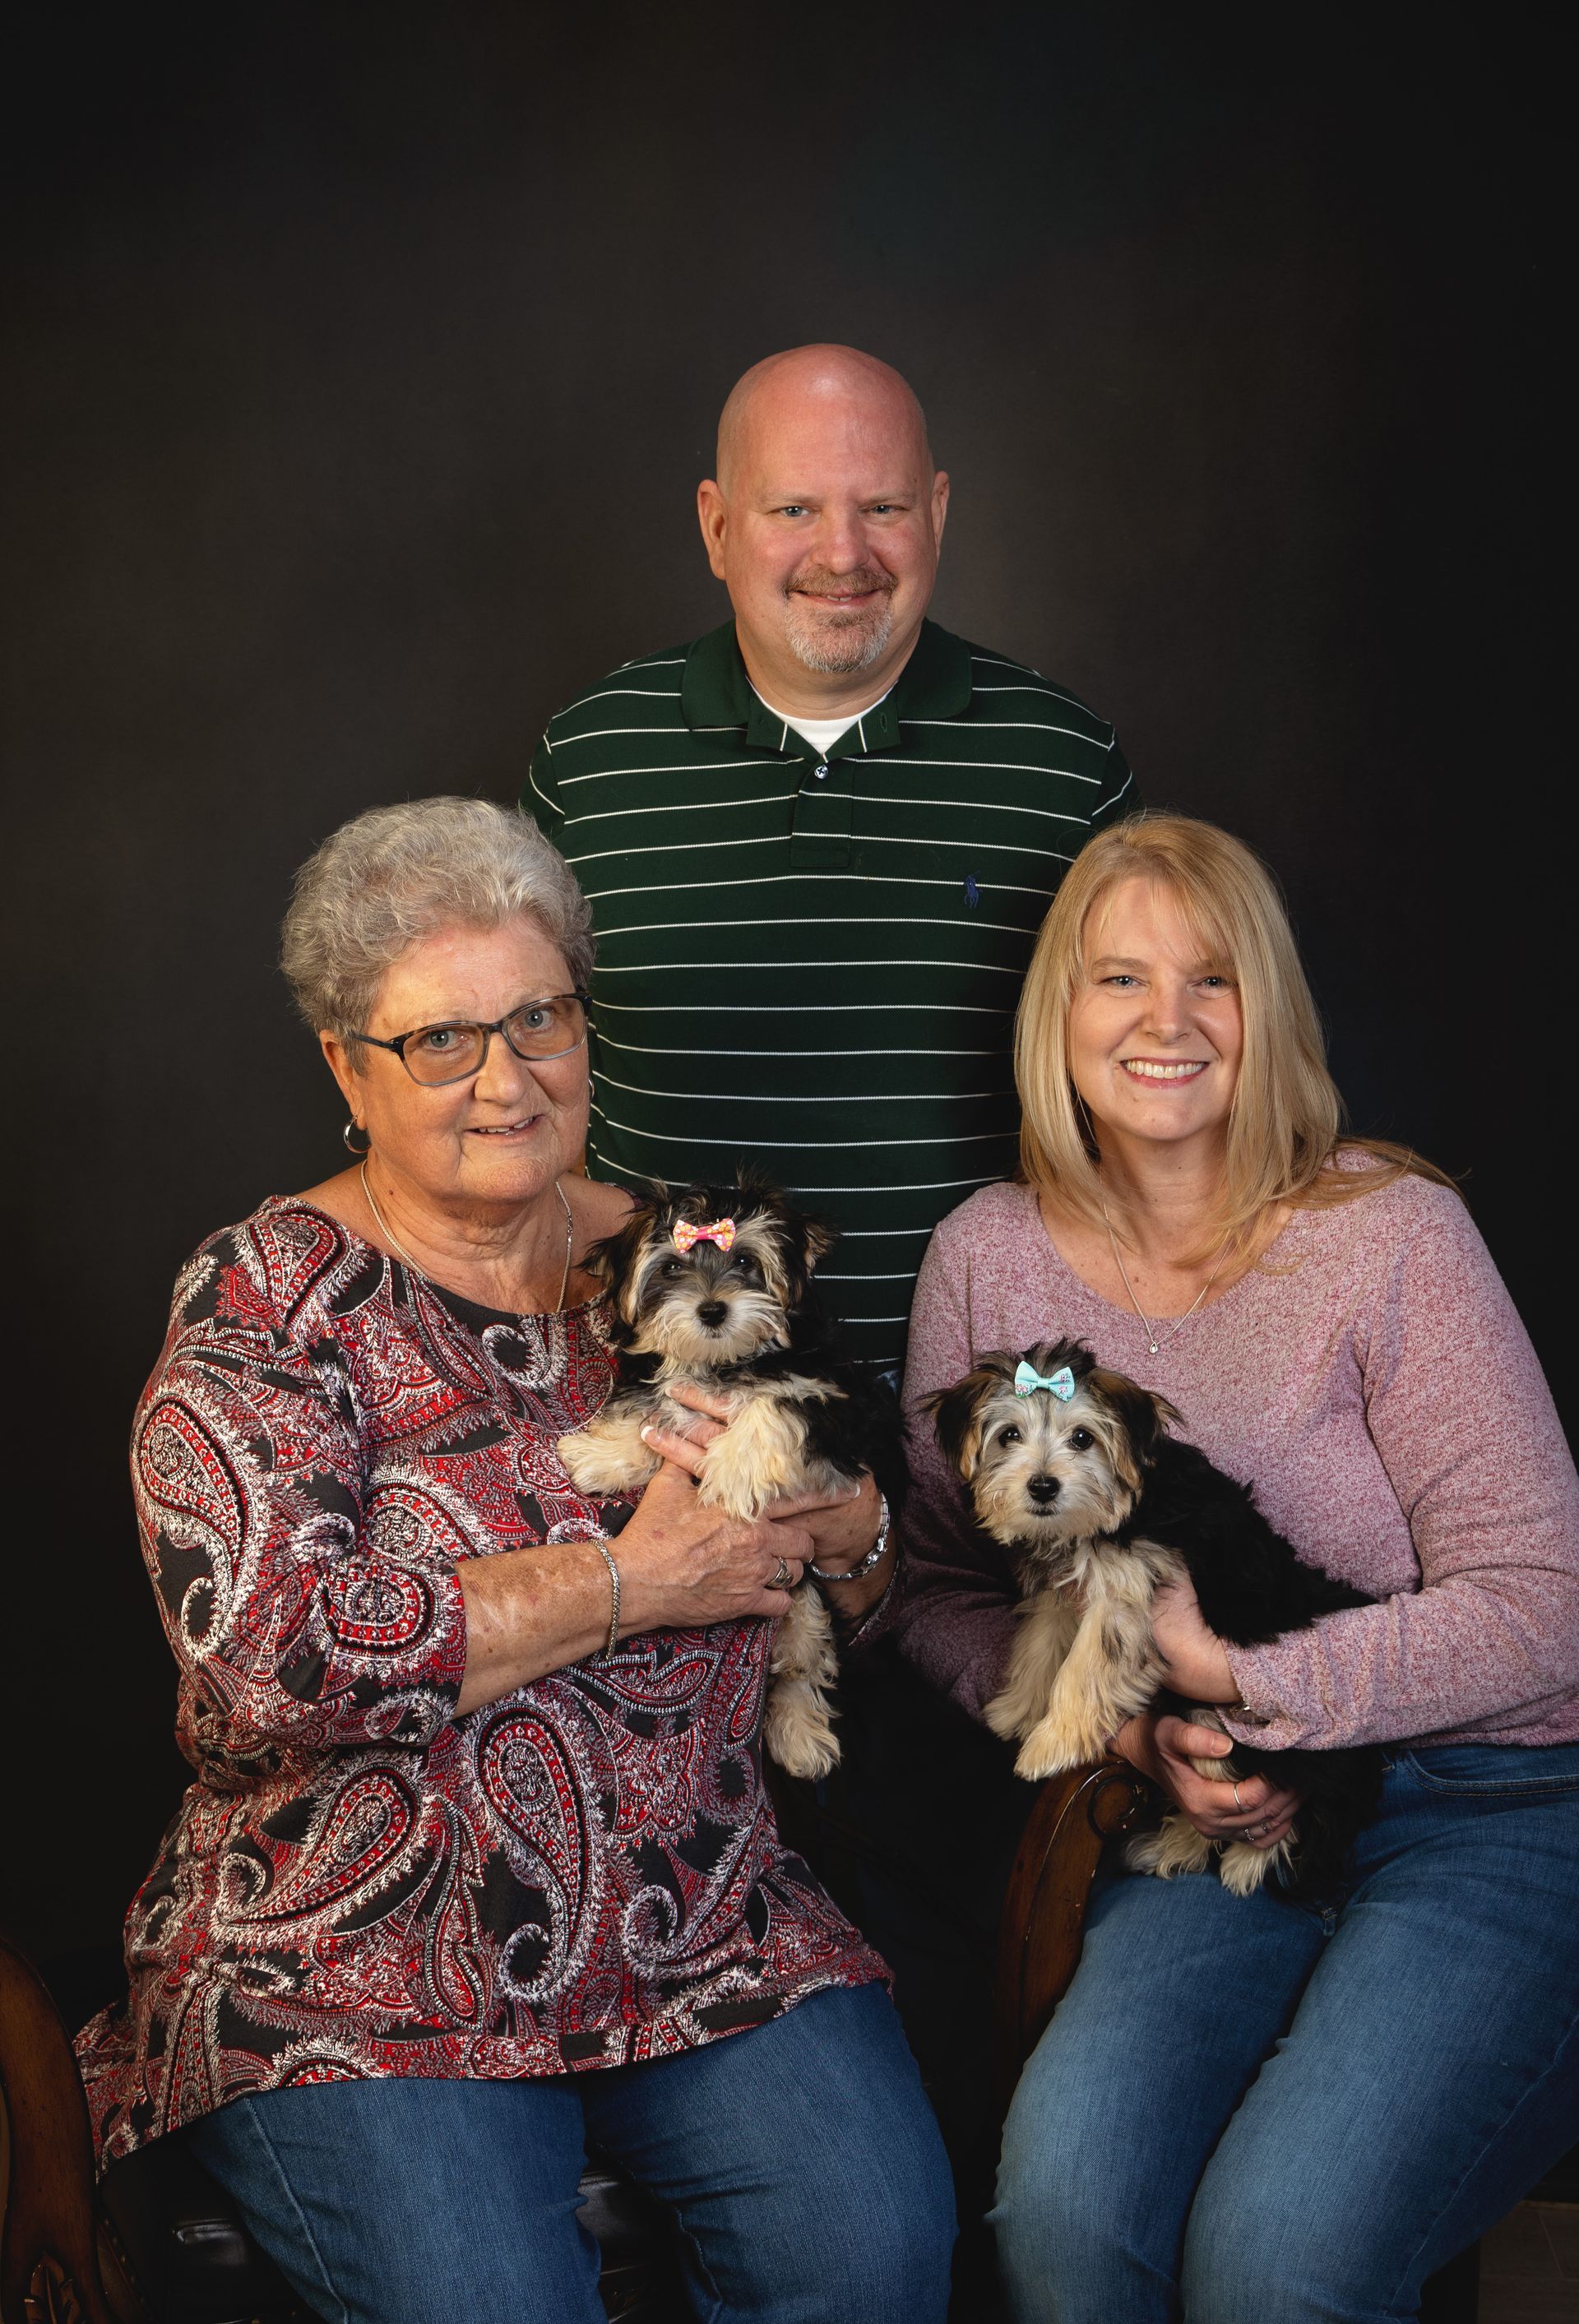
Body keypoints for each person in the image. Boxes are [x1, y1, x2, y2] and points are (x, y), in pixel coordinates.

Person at [75, 797, 955, 2324]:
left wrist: (856, 1534)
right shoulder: (268, 1301)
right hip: (358, 1969)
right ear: (348, 1067)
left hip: (705, 1929)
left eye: (540, 1015)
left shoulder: (684, 1255)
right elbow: (270, 1657)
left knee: (874, 2250)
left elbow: (873, 1585)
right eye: (443, 1040)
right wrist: (630, 1582)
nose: (507, 1074)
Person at [893, 812, 1579, 2323]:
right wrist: (1140, 1735)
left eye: (1214, 980)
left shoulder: (1390, 1231)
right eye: (1119, 978)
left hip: (1485, 1810)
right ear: (1057, 1017)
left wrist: (1250, 1683)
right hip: (1199, 1809)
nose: (1166, 1022)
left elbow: (1548, 1604)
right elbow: (936, 1595)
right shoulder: (987, 1258)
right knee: (1065, 2223)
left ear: (1268, 1012)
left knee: (1279, 2262)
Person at [524, 340, 1136, 1373]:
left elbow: (1146, 1107)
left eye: (885, 509)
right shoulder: (589, 758)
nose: (844, 554)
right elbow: (528, 1090)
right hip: (665, 1409)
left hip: (984, 1417)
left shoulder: (1061, 760)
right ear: (719, 527)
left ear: (938, 512)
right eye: (794, 510)